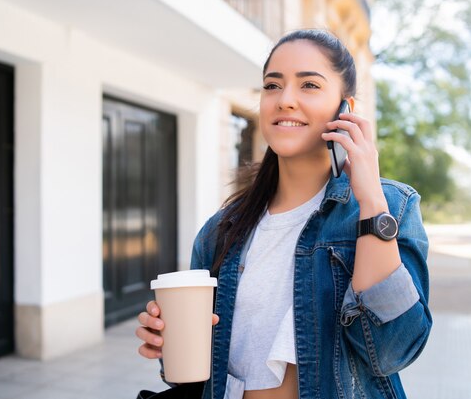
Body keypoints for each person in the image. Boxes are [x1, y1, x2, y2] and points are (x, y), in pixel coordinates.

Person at [136, 29, 431, 399]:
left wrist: (371, 201)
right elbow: (192, 378)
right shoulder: (221, 230)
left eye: (309, 85)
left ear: (345, 110)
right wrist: (167, 344)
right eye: (272, 86)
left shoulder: (391, 207)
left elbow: (392, 351)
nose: (285, 100)